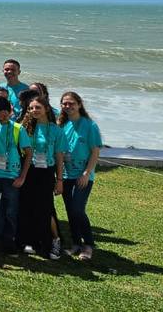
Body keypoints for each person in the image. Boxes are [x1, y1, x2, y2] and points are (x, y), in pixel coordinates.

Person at [0, 96, 31, 253]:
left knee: (10, 211)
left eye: (5, 112)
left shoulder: (18, 128)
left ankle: (8, 242)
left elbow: (28, 153)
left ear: (10, 112)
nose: (2, 115)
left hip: (11, 176)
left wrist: (22, 177)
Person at [18, 96, 65, 259]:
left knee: (46, 208)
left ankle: (55, 240)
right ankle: (29, 240)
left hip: (46, 172)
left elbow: (59, 156)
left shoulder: (56, 130)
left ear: (46, 109)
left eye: (37, 107)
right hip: (28, 171)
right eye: (31, 108)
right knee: (27, 206)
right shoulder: (25, 128)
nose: (34, 111)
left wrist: (60, 180)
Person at [58, 91, 101, 261]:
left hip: (83, 175)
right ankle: (76, 243)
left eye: (71, 103)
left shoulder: (90, 125)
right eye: (64, 103)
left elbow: (95, 151)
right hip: (67, 174)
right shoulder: (62, 124)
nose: (68, 106)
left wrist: (86, 173)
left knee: (78, 209)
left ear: (79, 104)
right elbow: (59, 152)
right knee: (70, 210)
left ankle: (88, 244)